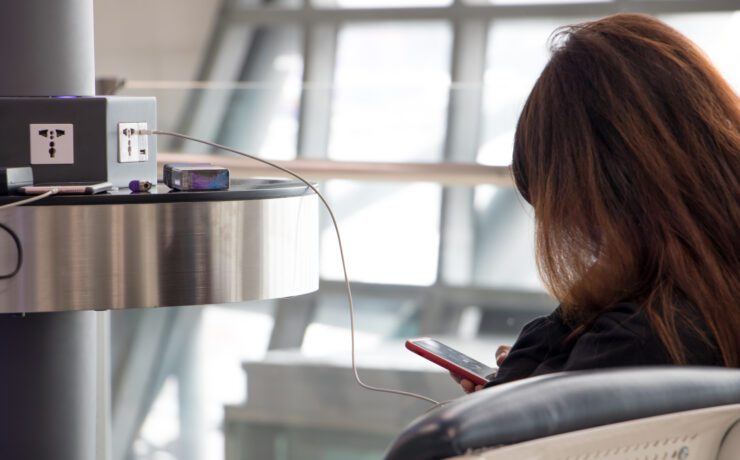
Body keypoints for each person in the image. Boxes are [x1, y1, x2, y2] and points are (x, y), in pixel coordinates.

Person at [454, 13, 739, 394]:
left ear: (601, 194)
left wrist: (511, 382)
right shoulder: (708, 296)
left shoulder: (638, 339)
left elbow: (499, 435)